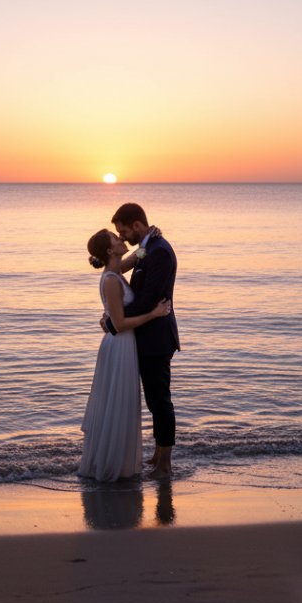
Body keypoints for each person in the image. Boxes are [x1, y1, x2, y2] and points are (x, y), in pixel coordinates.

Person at [78, 230, 171, 482]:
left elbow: (136, 257)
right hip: (118, 346)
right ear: (109, 250)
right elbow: (118, 324)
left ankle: (117, 460)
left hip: (124, 346)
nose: (121, 239)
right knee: (117, 403)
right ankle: (112, 465)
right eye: (115, 239)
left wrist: (147, 241)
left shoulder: (117, 271)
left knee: (121, 404)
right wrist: (154, 314)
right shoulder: (110, 279)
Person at [107, 203, 180, 478]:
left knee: (160, 401)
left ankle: (165, 464)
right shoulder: (148, 247)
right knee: (154, 400)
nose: (123, 237)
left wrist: (115, 319)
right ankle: (156, 456)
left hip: (157, 339)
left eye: (124, 231)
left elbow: (149, 300)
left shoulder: (160, 252)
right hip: (146, 338)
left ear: (137, 225)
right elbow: (134, 258)